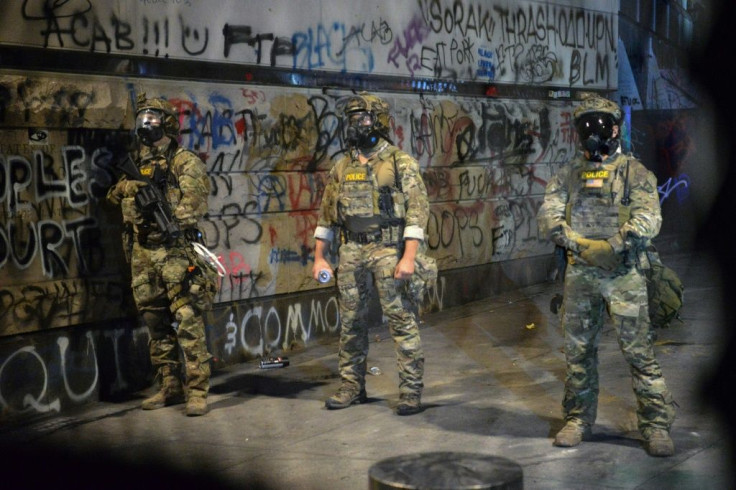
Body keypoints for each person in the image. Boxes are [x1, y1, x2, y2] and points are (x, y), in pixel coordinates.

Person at [537, 92, 677, 456]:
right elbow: (549, 219)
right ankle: (578, 418)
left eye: (600, 124)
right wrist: (583, 245)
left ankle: (656, 424)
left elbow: (649, 219)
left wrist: (613, 244)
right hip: (581, 273)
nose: (592, 132)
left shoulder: (635, 173)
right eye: (585, 125)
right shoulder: (567, 175)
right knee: (578, 352)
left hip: (624, 274)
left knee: (639, 352)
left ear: (615, 129)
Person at [312, 92, 430, 416]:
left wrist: (409, 257)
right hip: (351, 250)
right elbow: (326, 216)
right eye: (353, 119)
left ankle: (410, 391)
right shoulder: (342, 165)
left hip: (388, 248)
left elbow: (418, 212)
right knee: (350, 322)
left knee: (401, 320)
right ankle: (352, 386)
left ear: (378, 121)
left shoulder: (398, 162)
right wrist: (320, 256)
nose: (357, 125)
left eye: (363, 118)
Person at [107, 93, 214, 416]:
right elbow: (112, 196)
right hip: (142, 251)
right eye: (142, 118)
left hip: (174, 249)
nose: (146, 124)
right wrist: (129, 189)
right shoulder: (136, 162)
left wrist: (166, 218)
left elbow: (195, 202)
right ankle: (170, 386)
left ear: (167, 123)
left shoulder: (185, 160)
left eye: (153, 118)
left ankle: (197, 390)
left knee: (186, 319)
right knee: (155, 321)